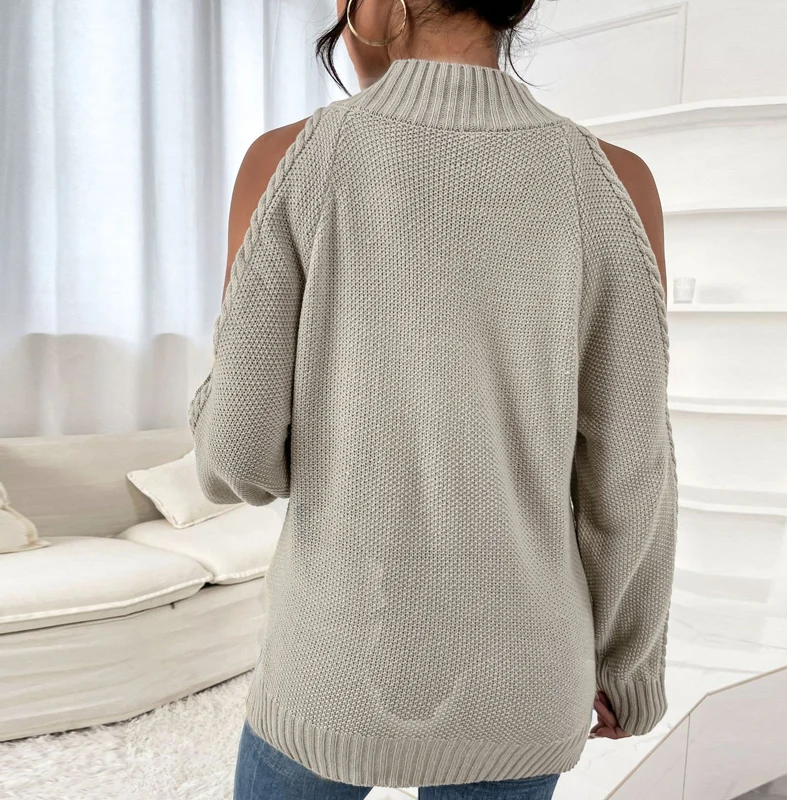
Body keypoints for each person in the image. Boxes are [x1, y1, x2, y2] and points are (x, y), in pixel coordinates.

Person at [188, 0, 679, 797]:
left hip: (333, 669)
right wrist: (628, 665)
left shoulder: (290, 160)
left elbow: (236, 462)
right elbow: (630, 472)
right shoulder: (615, 182)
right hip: (526, 678)